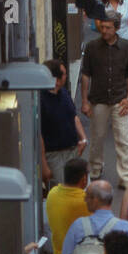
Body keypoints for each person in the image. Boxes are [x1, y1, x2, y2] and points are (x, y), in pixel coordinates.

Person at [80, 16, 128, 188]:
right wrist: (84, 101)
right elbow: (85, 75)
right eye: (102, 27)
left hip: (120, 100)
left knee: (123, 139)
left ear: (117, 28)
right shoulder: (92, 47)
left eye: (108, 28)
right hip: (99, 100)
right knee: (97, 137)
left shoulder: (127, 47)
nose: (104, 31)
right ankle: (96, 168)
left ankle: (126, 177)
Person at [40, 59, 87, 188]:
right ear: (56, 79)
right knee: (62, 189)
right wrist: (44, 165)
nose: (67, 76)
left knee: (77, 187)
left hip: (72, 150)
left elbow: (73, 116)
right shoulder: (40, 100)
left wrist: (83, 138)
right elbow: (39, 135)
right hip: (55, 156)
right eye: (64, 74)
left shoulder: (64, 93)